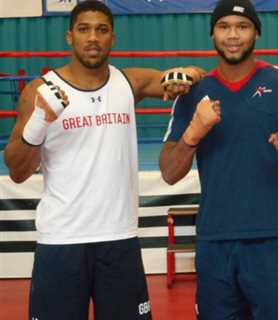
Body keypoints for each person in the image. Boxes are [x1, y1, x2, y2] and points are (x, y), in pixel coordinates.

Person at [3, 1, 203, 319]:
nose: (93, 37)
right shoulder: (40, 91)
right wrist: (40, 120)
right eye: (84, 29)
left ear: (113, 37)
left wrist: (187, 74)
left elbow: (182, 77)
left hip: (119, 238)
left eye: (101, 29)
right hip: (62, 240)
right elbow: (17, 170)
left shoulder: (129, 82)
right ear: (70, 37)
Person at [159, 0, 278, 319]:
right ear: (212, 34)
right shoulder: (192, 93)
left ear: (257, 33)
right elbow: (169, 172)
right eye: (224, 27)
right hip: (214, 242)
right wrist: (193, 134)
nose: (233, 35)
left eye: (242, 27)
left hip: (274, 240)